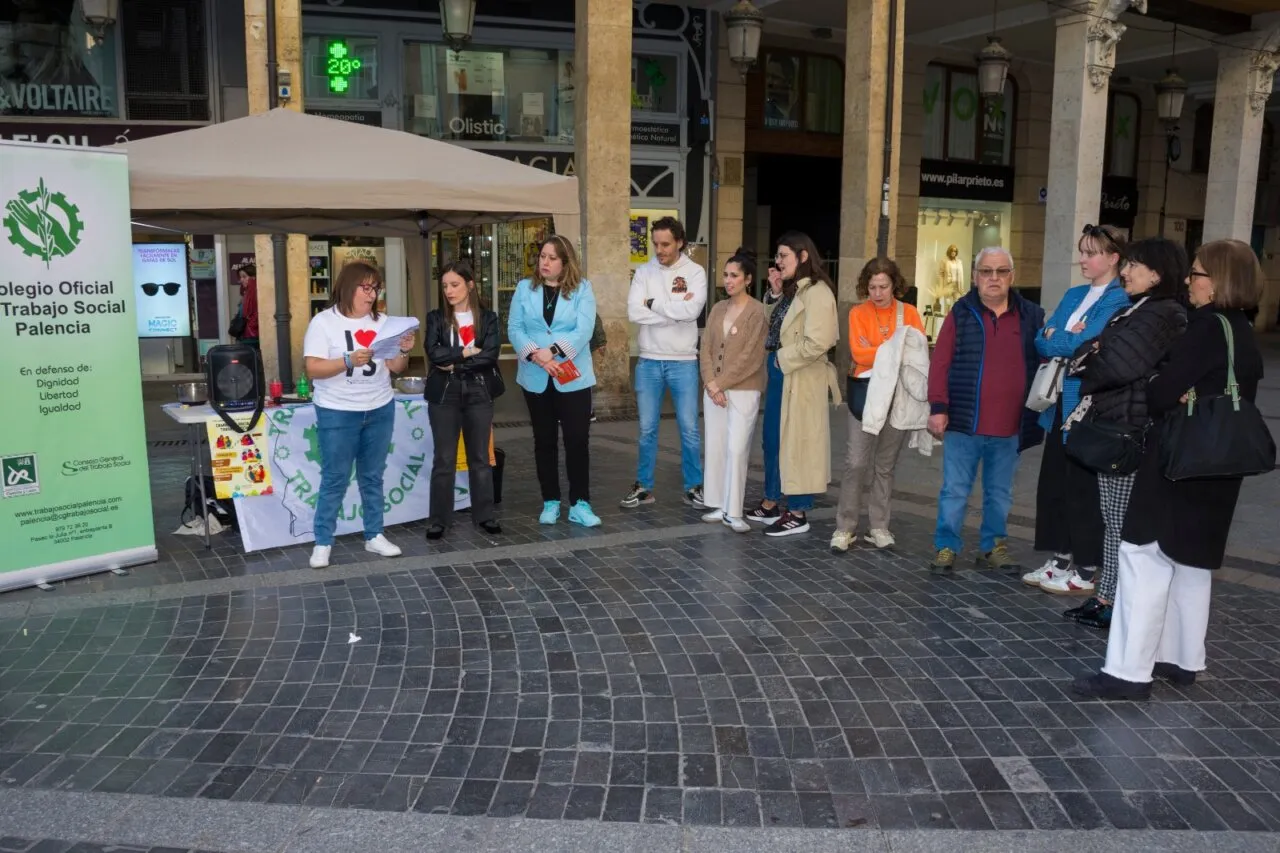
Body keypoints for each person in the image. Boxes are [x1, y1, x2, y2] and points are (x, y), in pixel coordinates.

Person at [1072, 239, 1265, 701]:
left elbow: (1160, 396)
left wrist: (1163, 385)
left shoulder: (1203, 329)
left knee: (1143, 557)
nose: (1188, 281)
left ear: (1216, 281)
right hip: (1219, 464)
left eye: (1196, 274)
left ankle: (1127, 671)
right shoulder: (1243, 330)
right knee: (1192, 562)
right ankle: (1181, 659)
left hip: (1177, 461)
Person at [1062, 238, 1189, 632]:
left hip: (1129, 432)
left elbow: (1114, 364)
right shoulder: (1140, 308)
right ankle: (1106, 597)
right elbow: (1087, 350)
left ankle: (1112, 601)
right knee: (1113, 519)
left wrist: (1091, 360)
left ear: (1157, 273)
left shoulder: (1161, 314)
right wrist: (1092, 354)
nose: (1126, 271)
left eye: (1134, 264)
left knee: (1120, 522)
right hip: (1117, 424)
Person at [1025, 225, 1131, 598]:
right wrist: (1060, 338)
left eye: (1091, 253)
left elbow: (1087, 345)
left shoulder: (1119, 299)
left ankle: (1086, 564)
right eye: (1082, 251)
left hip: (1086, 406)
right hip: (1057, 404)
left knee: (1082, 488)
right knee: (1055, 484)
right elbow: (1042, 336)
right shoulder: (1075, 294)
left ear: (1114, 257)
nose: (1083, 259)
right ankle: (1062, 555)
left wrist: (1062, 338)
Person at [927, 247, 1045, 572]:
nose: (994, 278)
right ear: (976, 276)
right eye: (987, 271)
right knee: (954, 490)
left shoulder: (1032, 316)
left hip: (1010, 426)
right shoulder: (961, 313)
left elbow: (1046, 358)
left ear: (1012, 276)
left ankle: (992, 546)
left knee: (1000, 493)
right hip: (964, 424)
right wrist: (938, 407)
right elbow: (940, 362)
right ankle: (946, 546)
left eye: (1001, 271)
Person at [302, 262, 414, 569]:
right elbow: (312, 368)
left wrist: (403, 350)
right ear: (348, 287)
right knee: (335, 477)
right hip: (337, 410)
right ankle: (323, 541)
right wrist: (347, 360)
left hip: (379, 406)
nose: (372, 294)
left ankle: (374, 535)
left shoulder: (385, 322)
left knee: (372, 476)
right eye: (366, 287)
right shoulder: (324, 322)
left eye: (376, 288)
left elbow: (396, 368)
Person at [831, 257, 927, 553]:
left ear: (894, 285)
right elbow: (859, 354)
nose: (877, 292)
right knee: (856, 462)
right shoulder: (857, 312)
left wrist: (882, 352)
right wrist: (893, 350)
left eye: (883, 286)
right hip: (865, 393)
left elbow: (917, 353)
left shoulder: (909, 312)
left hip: (897, 396)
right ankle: (845, 527)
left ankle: (879, 526)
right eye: (872, 286)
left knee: (885, 465)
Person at [748, 232, 840, 537]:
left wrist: (781, 360)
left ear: (802, 257)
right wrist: (775, 296)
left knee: (799, 442)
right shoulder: (794, 291)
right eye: (777, 255)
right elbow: (776, 328)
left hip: (799, 375)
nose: (777, 261)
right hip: (782, 371)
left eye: (783, 255)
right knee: (773, 439)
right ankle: (772, 500)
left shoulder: (818, 292)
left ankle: (798, 511)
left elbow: (819, 341)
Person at [509, 235, 600, 527]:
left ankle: (579, 503)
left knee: (577, 441)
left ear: (565, 262)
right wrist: (536, 354)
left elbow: (584, 329)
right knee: (544, 441)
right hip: (536, 376)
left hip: (573, 377)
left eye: (552, 258)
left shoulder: (583, 289)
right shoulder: (525, 288)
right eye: (542, 257)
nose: (544, 262)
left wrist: (554, 350)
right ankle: (550, 500)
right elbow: (515, 327)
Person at [621, 216, 707, 510]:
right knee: (646, 429)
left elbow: (693, 310)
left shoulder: (695, 272)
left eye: (665, 244)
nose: (659, 249)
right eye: (656, 244)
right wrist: (674, 312)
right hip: (649, 361)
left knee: (689, 428)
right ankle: (643, 486)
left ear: (680, 242)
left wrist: (654, 304)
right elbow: (634, 312)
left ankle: (694, 487)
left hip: (683, 361)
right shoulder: (643, 272)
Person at [423, 262, 502, 541]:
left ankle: (485, 515)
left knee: (479, 458)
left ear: (470, 285)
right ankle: (439, 521)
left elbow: (490, 355)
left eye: (455, 285)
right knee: (443, 459)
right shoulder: (435, 318)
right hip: (444, 394)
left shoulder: (488, 318)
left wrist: (455, 363)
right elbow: (434, 354)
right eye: (445, 286)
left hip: (479, 391)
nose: (449, 291)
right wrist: (468, 352)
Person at [699, 248, 768, 533]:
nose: (728, 280)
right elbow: (705, 347)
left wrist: (720, 384)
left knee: (737, 448)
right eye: (726, 275)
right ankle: (717, 503)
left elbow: (750, 357)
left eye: (734, 276)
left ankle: (734, 509)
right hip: (714, 389)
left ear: (748, 279)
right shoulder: (717, 309)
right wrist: (710, 383)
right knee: (715, 447)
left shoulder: (758, 312)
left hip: (743, 390)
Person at [236, 265, 259, 349]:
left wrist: (251, 325)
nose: (241, 279)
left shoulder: (253, 290)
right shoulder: (247, 291)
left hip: (251, 334)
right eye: (241, 277)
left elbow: (249, 313)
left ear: (253, 277)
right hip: (248, 333)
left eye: (244, 276)